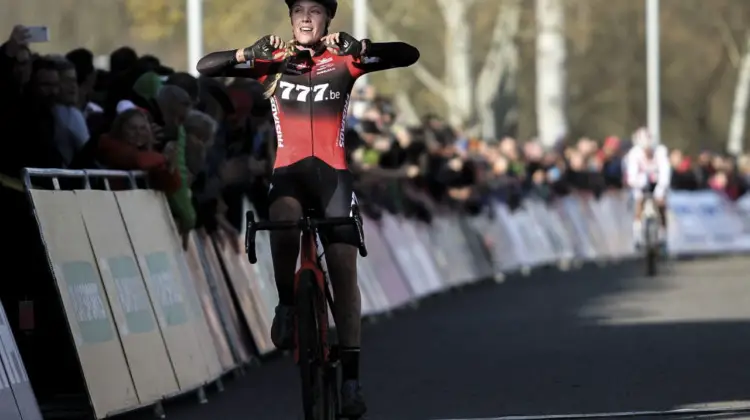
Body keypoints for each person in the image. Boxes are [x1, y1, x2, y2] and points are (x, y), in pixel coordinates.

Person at [197, 0, 419, 416]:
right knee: (282, 217)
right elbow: (205, 66)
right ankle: (286, 304)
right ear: (289, 18)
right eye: (298, 9)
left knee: (342, 265)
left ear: (327, 20)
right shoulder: (273, 61)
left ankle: (351, 379)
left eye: (315, 11)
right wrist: (247, 53)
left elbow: (409, 54)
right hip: (289, 175)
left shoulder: (346, 57)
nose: (304, 17)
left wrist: (362, 45)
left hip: (333, 177)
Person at [624, 127, 671, 245]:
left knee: (661, 204)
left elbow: (665, 172)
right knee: (639, 201)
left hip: (658, 180)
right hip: (641, 181)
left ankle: (663, 235)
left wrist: (660, 189)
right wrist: (639, 184)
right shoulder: (633, 154)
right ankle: (637, 234)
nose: (647, 151)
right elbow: (631, 176)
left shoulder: (661, 151)